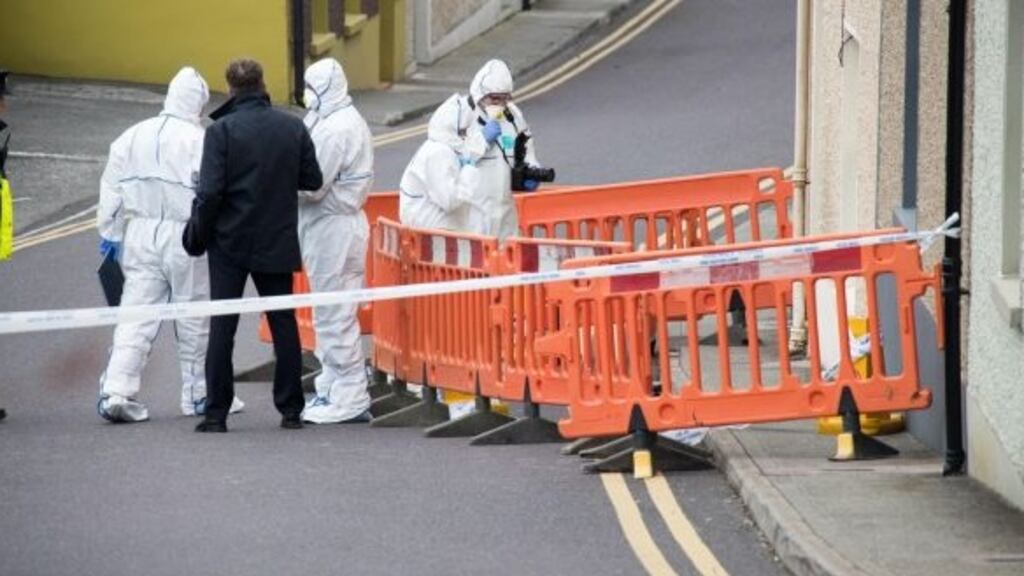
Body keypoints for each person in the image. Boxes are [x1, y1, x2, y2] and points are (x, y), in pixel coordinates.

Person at [95, 67, 244, 423]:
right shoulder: (201, 140)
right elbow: (212, 192)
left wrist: (110, 235)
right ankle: (197, 394)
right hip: (186, 234)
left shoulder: (130, 137)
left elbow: (111, 191)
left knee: (135, 315)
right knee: (193, 317)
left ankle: (116, 390)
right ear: (198, 103)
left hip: (141, 233)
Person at [188, 59, 323, 433]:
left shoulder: (221, 132)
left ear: (230, 88)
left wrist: (201, 230)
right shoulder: (292, 127)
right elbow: (313, 179)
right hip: (276, 236)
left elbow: (211, 191)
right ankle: (291, 410)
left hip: (229, 241)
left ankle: (216, 413)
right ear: (262, 84)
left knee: (223, 326)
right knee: (283, 323)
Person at [297, 58, 375, 424]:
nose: (306, 94)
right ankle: (334, 385)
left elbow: (312, 185)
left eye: (311, 86)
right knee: (331, 309)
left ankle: (350, 394)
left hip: (332, 226)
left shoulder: (335, 129)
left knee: (334, 312)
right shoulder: (333, 119)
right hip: (337, 224)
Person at [464, 59, 543, 239]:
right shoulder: (464, 117)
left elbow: (526, 147)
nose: (500, 104)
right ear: (480, 94)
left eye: (505, 98)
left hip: (506, 213)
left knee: (509, 261)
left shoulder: (513, 116)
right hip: (472, 215)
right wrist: (481, 141)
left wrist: (531, 170)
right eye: (495, 98)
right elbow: (453, 160)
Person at [397, 93, 484, 231]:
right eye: (464, 131)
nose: (467, 136)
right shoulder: (439, 153)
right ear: (453, 129)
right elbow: (450, 200)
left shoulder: (440, 148)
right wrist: (469, 170)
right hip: (434, 233)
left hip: (435, 230)